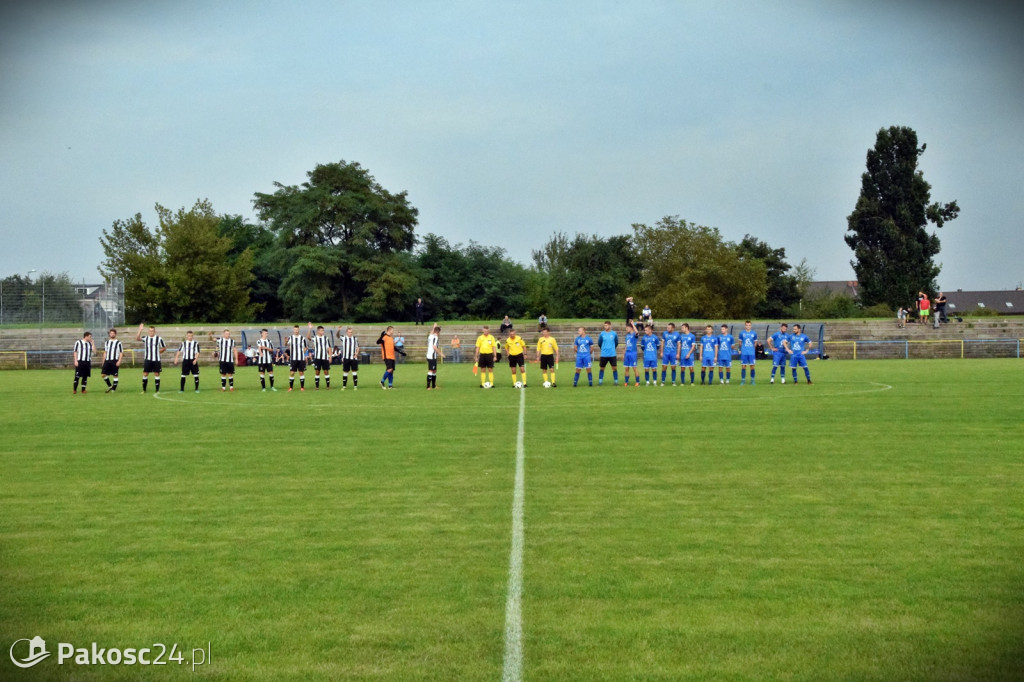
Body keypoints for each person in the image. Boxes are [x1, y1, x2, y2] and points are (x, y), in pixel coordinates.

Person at [136, 323, 166, 394]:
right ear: (148, 331)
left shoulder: (159, 338)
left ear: (154, 331)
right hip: (148, 359)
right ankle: (144, 390)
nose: (151, 332)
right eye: (150, 331)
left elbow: (164, 348)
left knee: (156, 374)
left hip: (156, 359)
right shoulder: (146, 338)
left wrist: (158, 352)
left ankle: (157, 390)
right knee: (145, 374)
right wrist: (140, 330)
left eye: (152, 331)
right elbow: (137, 338)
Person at [307, 322, 332, 390]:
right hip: (317, 358)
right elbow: (308, 337)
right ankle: (317, 386)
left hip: (325, 357)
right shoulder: (315, 338)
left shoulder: (326, 338)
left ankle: (328, 386)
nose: (322, 332)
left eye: (323, 330)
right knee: (317, 371)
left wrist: (330, 357)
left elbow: (329, 348)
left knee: (326, 371)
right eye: (321, 330)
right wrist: (309, 329)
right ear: (318, 331)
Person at [100, 328, 123, 393]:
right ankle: (110, 386)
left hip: (114, 360)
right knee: (103, 374)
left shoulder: (118, 343)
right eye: (111, 333)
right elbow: (105, 352)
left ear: (115, 334)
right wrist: (103, 361)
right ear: (109, 334)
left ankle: (113, 389)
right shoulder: (107, 342)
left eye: (113, 333)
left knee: (115, 375)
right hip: (107, 360)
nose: (112, 334)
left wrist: (119, 361)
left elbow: (121, 353)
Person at [285, 324, 308, 392]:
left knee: (301, 372)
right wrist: (286, 341)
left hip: (300, 358)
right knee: (292, 373)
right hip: (293, 358)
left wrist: (302, 353)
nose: (296, 331)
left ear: (299, 330)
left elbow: (306, 347)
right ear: (293, 330)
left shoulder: (302, 338)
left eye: (297, 330)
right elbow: (286, 345)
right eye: (295, 330)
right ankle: (291, 387)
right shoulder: (291, 338)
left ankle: (302, 387)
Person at [596, 320, 619, 386]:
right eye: (604, 325)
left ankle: (616, 382)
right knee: (602, 368)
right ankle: (600, 382)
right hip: (604, 354)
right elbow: (599, 343)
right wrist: (603, 348)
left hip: (612, 354)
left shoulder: (614, 333)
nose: (605, 326)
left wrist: (612, 348)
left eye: (606, 325)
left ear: (610, 325)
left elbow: (616, 342)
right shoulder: (602, 334)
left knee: (614, 367)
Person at [737, 320, 758, 385]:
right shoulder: (742, 333)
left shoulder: (754, 333)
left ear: (751, 326)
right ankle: (743, 380)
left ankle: (752, 380)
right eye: (747, 325)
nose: (748, 326)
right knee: (743, 366)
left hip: (751, 353)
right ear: (745, 326)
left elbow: (755, 342)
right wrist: (740, 349)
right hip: (744, 352)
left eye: (749, 325)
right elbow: (740, 343)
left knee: (752, 366)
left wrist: (752, 349)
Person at [622, 322, 640, 387]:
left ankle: (637, 382)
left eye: (627, 328)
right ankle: (626, 382)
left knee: (634, 368)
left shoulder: (634, 335)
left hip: (633, 353)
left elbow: (637, 332)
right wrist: (624, 353)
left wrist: (633, 324)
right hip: (627, 353)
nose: (626, 329)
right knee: (626, 368)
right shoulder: (627, 336)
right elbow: (626, 345)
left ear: (631, 328)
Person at [425, 325, 441, 389]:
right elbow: (434, 347)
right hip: (432, 356)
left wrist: (434, 327)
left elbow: (431, 332)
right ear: (438, 332)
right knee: (431, 370)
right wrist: (441, 353)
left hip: (431, 356)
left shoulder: (430, 335)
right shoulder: (435, 337)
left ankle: (434, 385)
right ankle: (428, 386)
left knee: (434, 370)